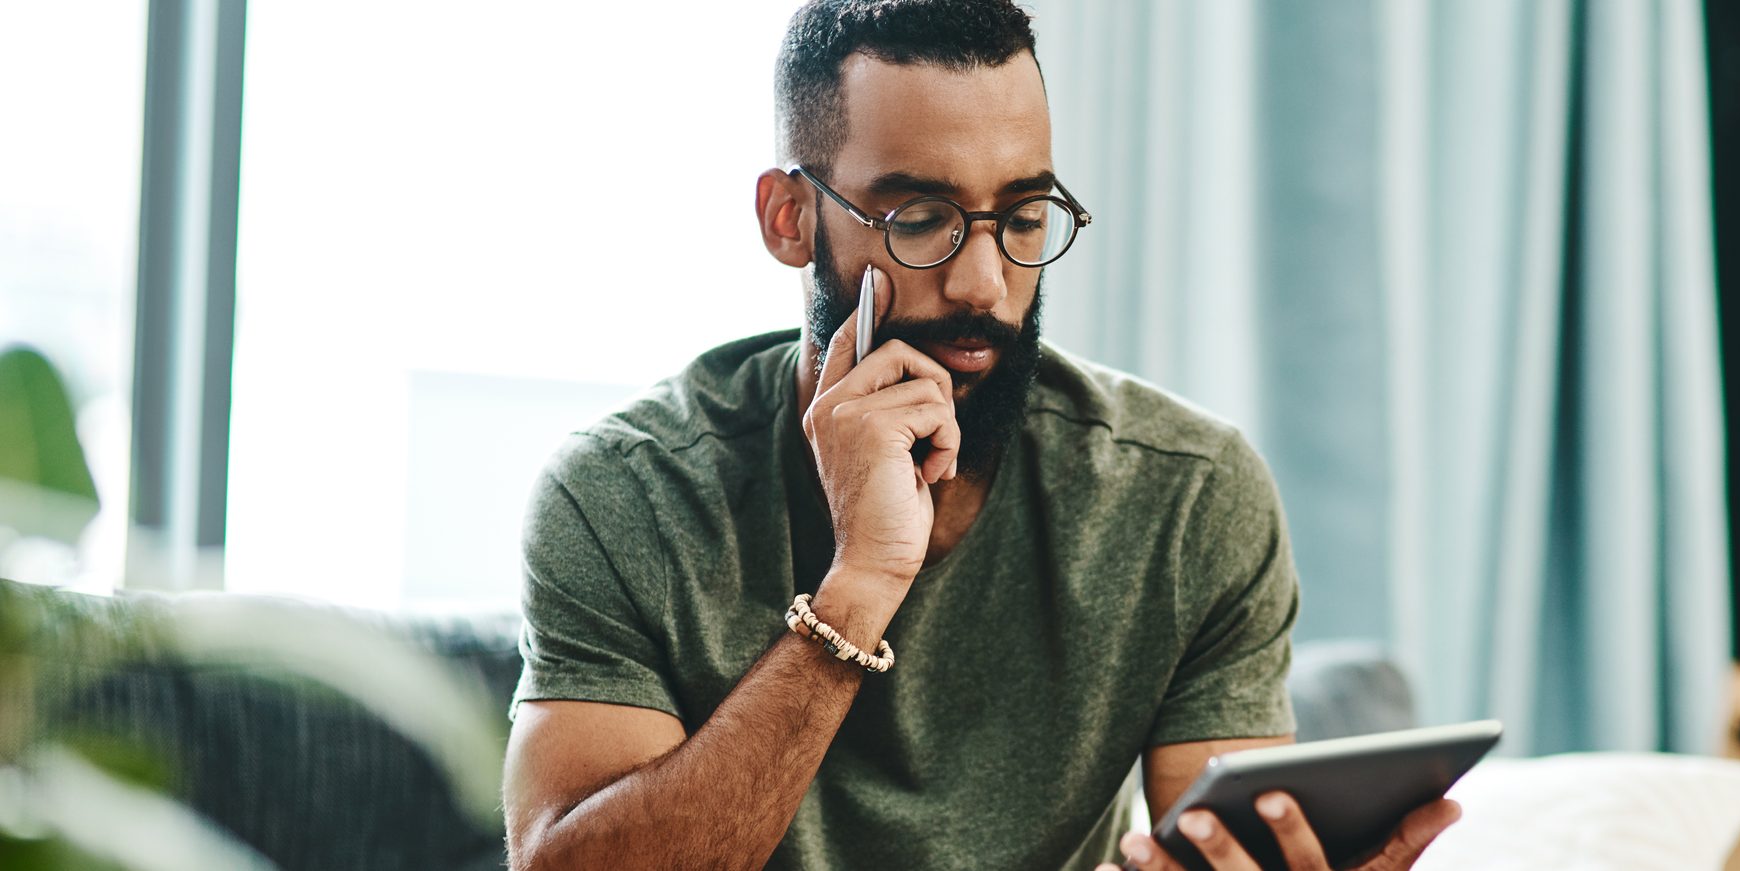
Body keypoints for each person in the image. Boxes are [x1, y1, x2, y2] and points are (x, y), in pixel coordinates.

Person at [500, 1, 1458, 868]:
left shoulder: (1186, 493)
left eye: (1023, 215)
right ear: (789, 218)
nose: (983, 285)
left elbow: (1214, 847)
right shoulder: (624, 491)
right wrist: (861, 585)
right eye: (922, 219)